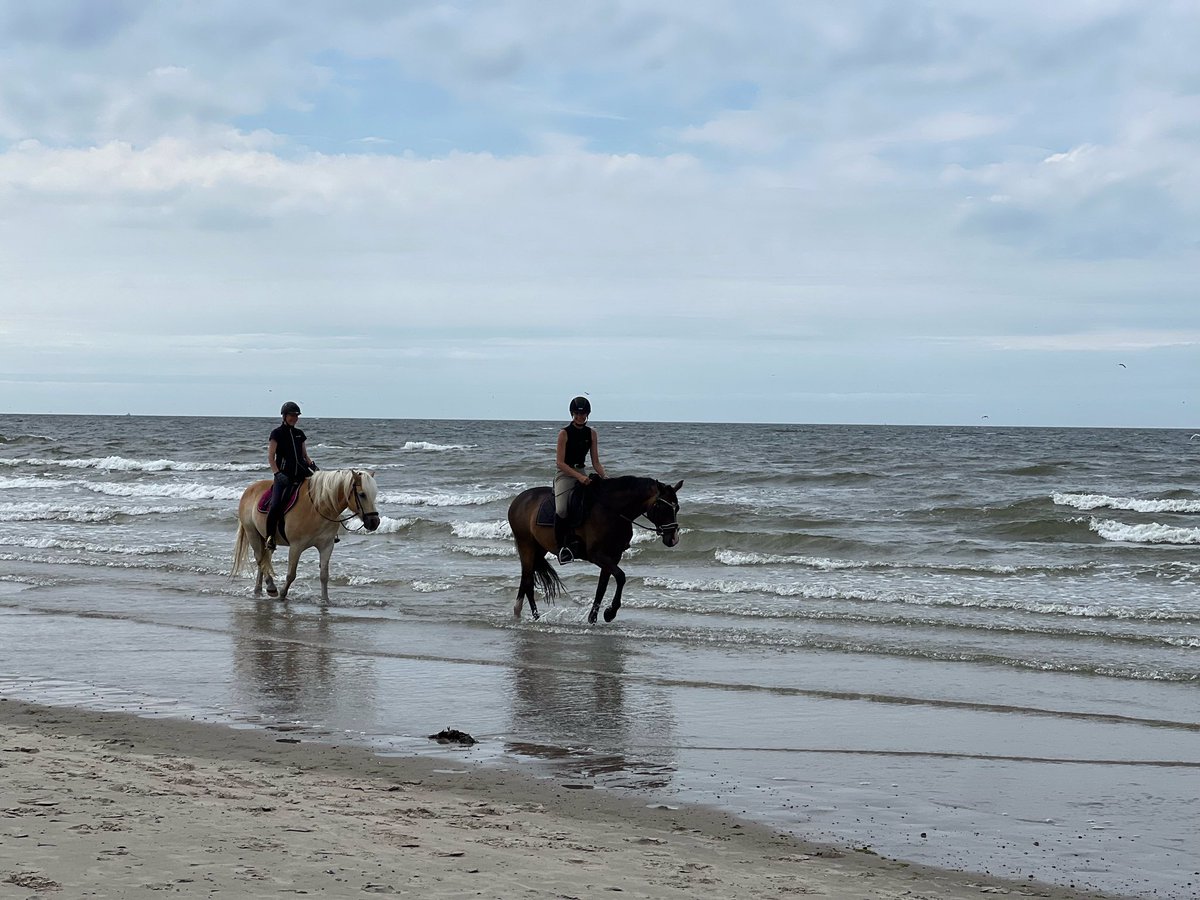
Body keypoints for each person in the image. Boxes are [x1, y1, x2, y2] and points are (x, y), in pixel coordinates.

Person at [554, 395, 606, 563]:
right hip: (565, 475)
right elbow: (560, 463)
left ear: (587, 415)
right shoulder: (564, 433)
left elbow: (596, 462)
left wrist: (605, 478)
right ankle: (561, 547)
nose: (580, 417)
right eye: (577, 414)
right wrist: (579, 477)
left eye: (583, 414)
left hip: (582, 471)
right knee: (562, 509)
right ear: (572, 414)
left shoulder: (591, 433)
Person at [265, 401, 319, 550]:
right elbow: (270, 456)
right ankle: (270, 537)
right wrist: (277, 473)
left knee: (323, 495)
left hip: (301, 473)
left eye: (296, 415)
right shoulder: (277, 433)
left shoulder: (299, 434)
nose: (294, 418)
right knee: (275, 505)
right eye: (291, 415)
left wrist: (312, 465)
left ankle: (326, 532)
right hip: (284, 476)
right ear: (284, 416)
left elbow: (305, 455)